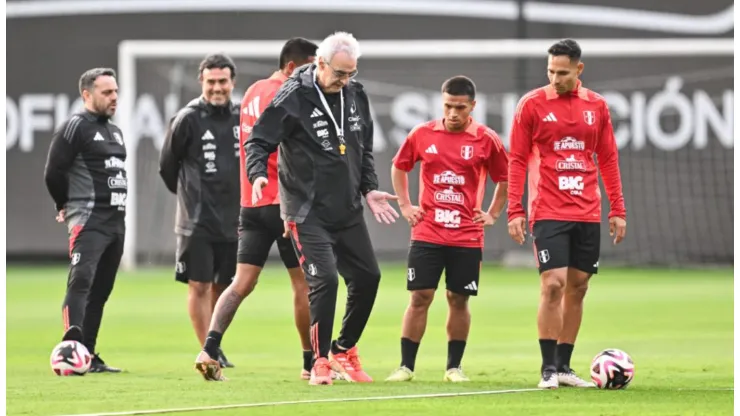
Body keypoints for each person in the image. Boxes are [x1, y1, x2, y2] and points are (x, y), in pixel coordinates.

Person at [245, 31, 399, 386]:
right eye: (339, 74)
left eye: (351, 74)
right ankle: (319, 362)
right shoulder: (293, 96)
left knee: (368, 278)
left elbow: (362, 148)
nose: (345, 81)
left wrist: (370, 189)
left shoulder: (356, 95)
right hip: (306, 210)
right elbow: (259, 140)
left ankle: (344, 349)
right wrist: (257, 175)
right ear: (319, 63)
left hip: (346, 209)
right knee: (325, 279)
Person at [194, 37, 319, 382]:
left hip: (252, 203)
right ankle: (310, 364)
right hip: (284, 203)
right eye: (313, 67)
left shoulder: (250, 93)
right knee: (305, 285)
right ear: (293, 67)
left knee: (241, 282)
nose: (317, 75)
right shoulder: (292, 94)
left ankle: (209, 348)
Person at [506, 39, 627, 389]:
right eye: (550, 71)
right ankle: (547, 369)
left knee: (579, 286)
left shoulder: (597, 107)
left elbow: (607, 158)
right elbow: (516, 158)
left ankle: (564, 366)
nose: (555, 78)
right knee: (553, 284)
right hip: (548, 209)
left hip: (587, 210)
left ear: (579, 69)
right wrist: (515, 208)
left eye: (562, 72)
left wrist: (617, 208)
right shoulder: (532, 104)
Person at [385, 76, 509, 383]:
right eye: (448, 106)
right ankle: (405, 367)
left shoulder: (485, 138)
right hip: (428, 231)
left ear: (473, 106)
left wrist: (493, 213)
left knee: (458, 298)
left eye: (460, 107)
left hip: (466, 234)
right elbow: (399, 166)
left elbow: (505, 177)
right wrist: (405, 206)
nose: (453, 113)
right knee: (420, 296)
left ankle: (453, 367)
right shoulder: (422, 133)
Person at [159, 53, 241, 369]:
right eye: (211, 82)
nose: (217, 88)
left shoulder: (241, 117)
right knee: (200, 284)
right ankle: (210, 351)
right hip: (197, 221)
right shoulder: (186, 119)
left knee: (225, 286)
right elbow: (168, 169)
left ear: (232, 82)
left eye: (223, 81)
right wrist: (189, 201)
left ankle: (214, 342)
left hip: (235, 219)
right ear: (201, 83)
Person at [43, 67, 126, 373]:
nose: (114, 97)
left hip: (116, 221)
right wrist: (63, 203)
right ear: (87, 95)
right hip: (88, 218)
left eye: (115, 91)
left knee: (101, 289)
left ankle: (88, 354)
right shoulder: (74, 127)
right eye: (107, 92)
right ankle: (70, 347)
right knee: (81, 281)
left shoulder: (114, 130)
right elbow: (53, 171)